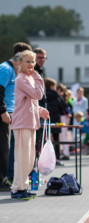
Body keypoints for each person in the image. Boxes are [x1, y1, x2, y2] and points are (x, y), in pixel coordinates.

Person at [10, 50, 49, 200]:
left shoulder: (29, 78)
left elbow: (30, 102)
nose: (31, 65)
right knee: (22, 157)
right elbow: (38, 95)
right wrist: (38, 77)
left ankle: (23, 186)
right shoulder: (23, 79)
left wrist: (40, 110)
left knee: (29, 158)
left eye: (32, 62)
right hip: (22, 123)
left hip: (30, 122)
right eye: (27, 61)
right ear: (20, 63)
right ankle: (17, 188)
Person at [0, 42, 32, 191]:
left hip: (13, 113)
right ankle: (3, 179)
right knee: (4, 147)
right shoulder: (6, 70)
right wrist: (3, 111)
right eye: (26, 59)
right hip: (4, 113)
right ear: (18, 54)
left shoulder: (15, 70)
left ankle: (9, 176)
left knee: (11, 147)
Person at [44, 77, 66, 166]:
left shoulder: (42, 93)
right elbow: (63, 105)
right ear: (51, 85)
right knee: (56, 140)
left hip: (45, 118)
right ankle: (57, 158)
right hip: (55, 119)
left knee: (44, 139)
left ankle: (45, 159)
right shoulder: (56, 94)